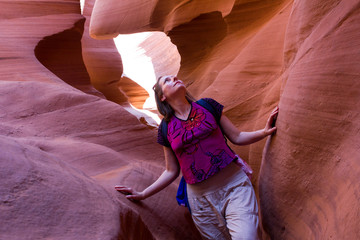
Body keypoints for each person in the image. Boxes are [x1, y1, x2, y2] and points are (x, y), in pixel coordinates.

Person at [115, 75, 279, 240]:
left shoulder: (208, 106)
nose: (174, 79)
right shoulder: (165, 129)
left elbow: (237, 137)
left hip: (234, 187)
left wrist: (264, 132)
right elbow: (171, 171)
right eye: (167, 81)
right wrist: (143, 194)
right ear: (162, 97)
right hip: (201, 202)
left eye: (175, 77)